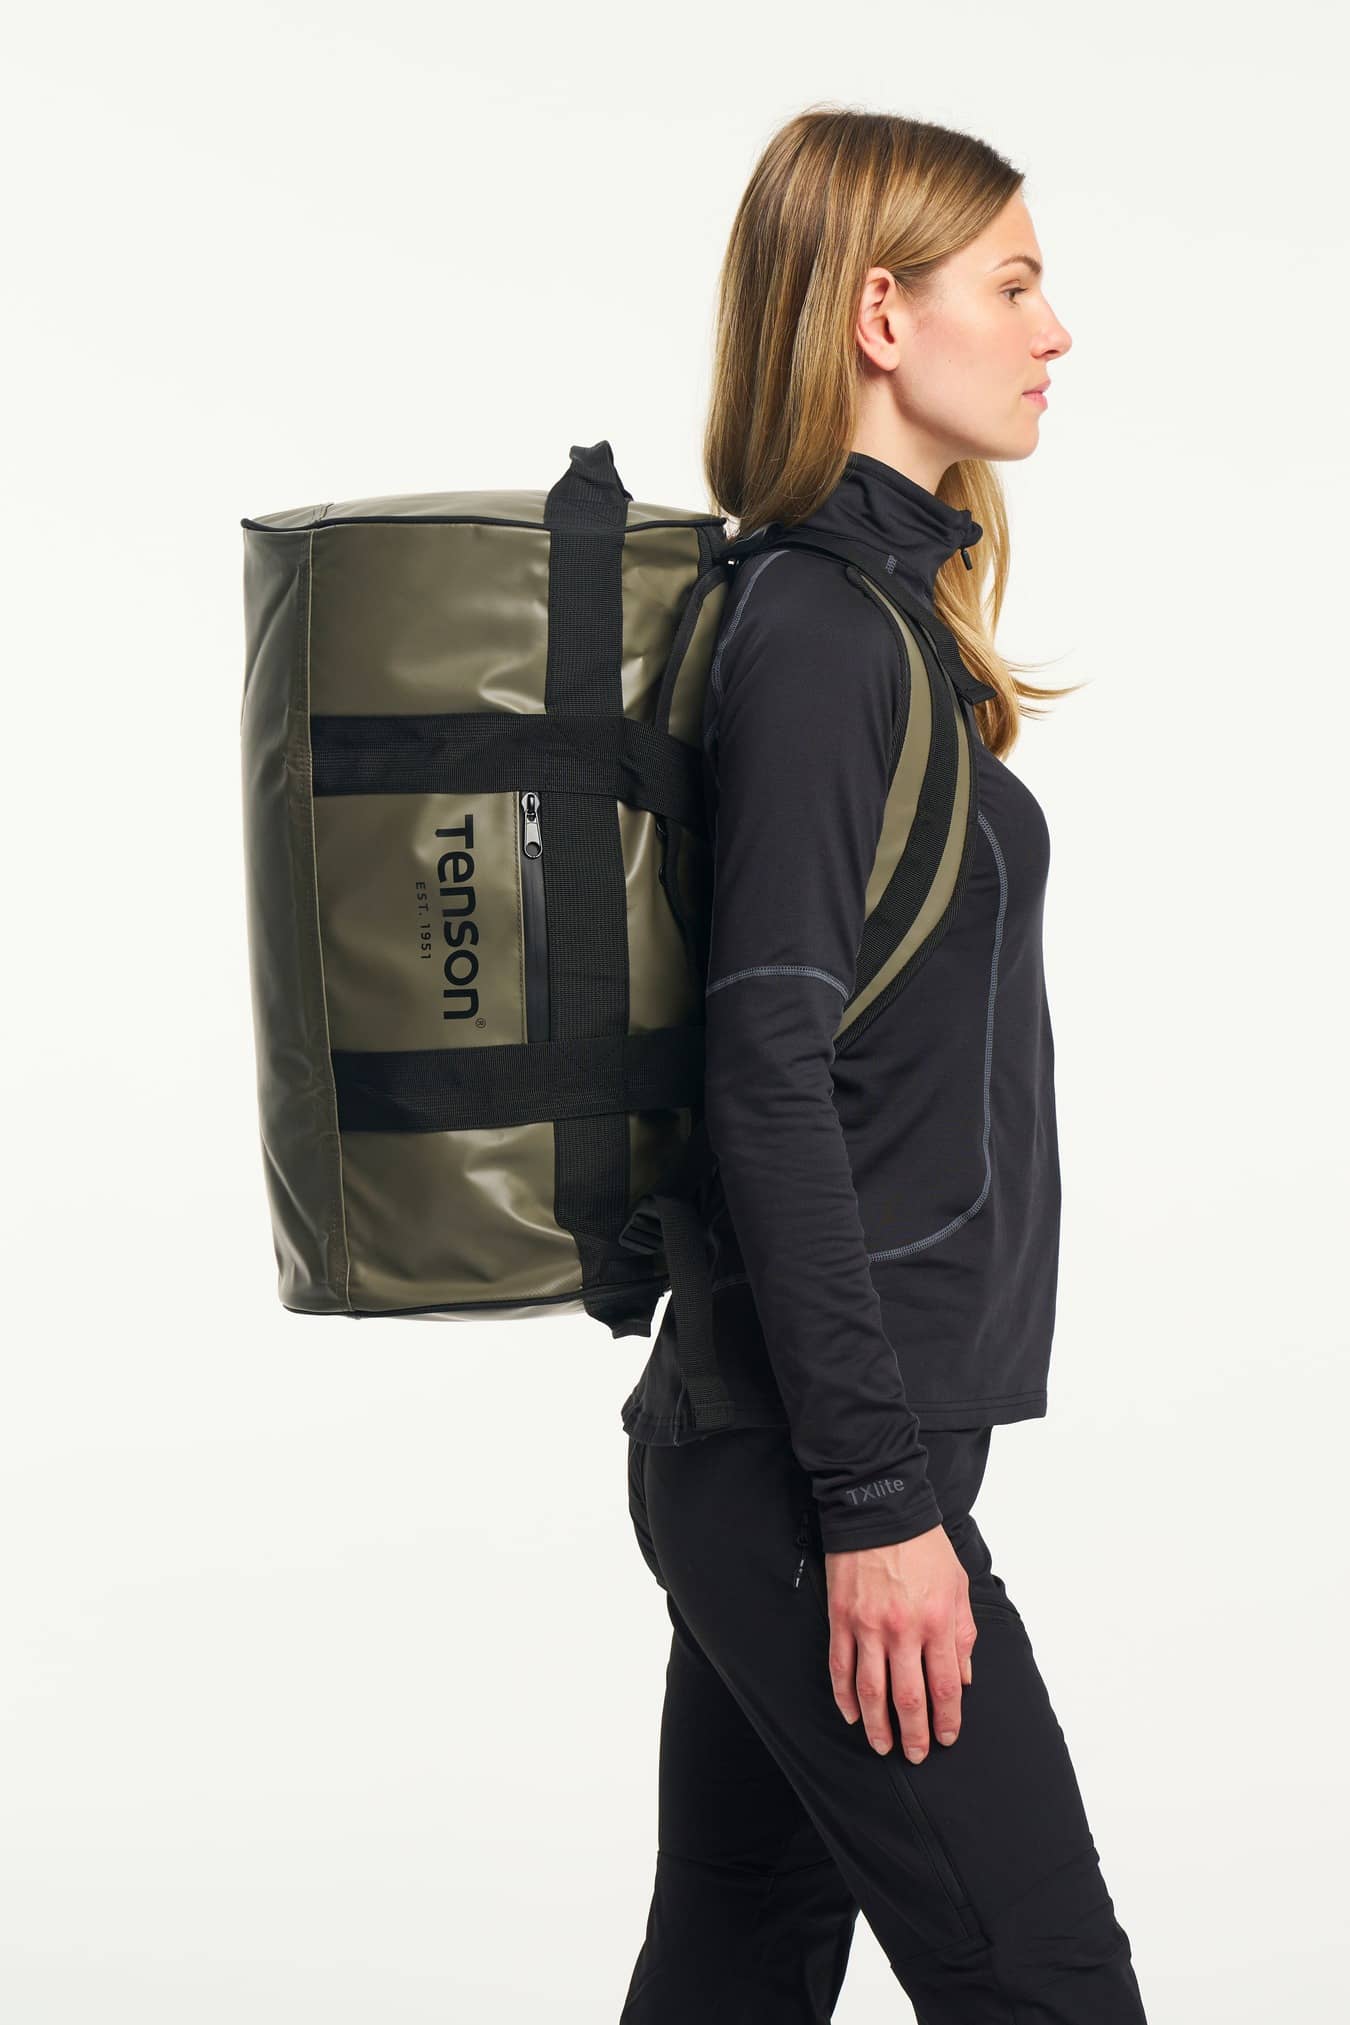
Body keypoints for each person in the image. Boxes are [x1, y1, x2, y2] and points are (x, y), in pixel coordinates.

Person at [617, 107, 1150, 2022]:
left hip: (790, 1447)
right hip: (812, 1461)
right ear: (877, 314)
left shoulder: (877, 621)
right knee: (1045, 1983)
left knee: (733, 1970)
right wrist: (870, 1501)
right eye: (1012, 283)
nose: (1052, 330)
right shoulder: (822, 635)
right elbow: (766, 1074)